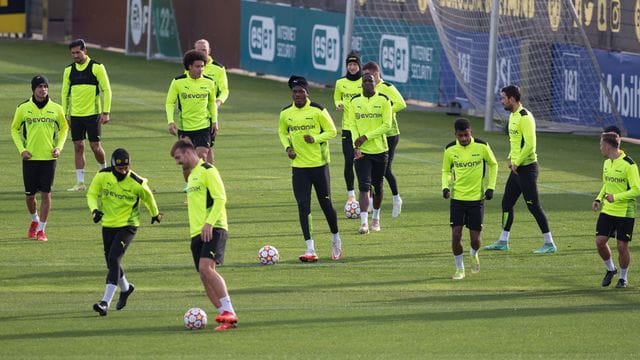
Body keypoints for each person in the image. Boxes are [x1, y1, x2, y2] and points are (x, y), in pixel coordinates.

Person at [170, 138, 238, 331]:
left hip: (214, 227)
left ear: (188, 152)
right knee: (203, 274)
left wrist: (209, 223)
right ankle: (224, 316)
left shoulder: (208, 171)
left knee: (207, 268)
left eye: (178, 157)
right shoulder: (191, 176)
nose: (177, 161)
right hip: (196, 231)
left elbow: (220, 198)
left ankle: (229, 310)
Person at [88, 148, 162, 316]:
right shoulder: (102, 176)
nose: (124, 171)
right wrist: (94, 210)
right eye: (120, 168)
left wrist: (155, 214)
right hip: (108, 225)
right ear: (113, 165)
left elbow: (148, 197)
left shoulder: (137, 182)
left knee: (114, 258)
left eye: (126, 168)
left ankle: (105, 302)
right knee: (111, 262)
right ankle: (126, 288)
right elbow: (91, 194)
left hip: (128, 225)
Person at [484, 84, 557, 253]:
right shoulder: (513, 116)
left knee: (534, 206)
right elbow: (516, 143)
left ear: (512, 98)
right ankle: (503, 241)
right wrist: (511, 158)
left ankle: (549, 243)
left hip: (527, 169)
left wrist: (517, 161)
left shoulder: (525, 117)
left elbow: (530, 145)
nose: (501, 101)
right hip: (516, 169)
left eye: (503, 98)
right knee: (506, 203)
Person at [279, 76, 342, 261]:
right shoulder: (285, 113)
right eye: (295, 92)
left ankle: (336, 239)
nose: (297, 95)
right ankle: (310, 249)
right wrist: (288, 148)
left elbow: (332, 131)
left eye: (301, 92)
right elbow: (282, 132)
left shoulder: (318, 110)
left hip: (319, 166)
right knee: (303, 206)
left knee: (326, 204)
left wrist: (314, 138)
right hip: (299, 168)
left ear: (307, 93)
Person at [11, 75, 69, 242]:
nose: (43, 89)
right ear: (33, 89)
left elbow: (64, 129)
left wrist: (59, 147)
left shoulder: (56, 108)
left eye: (45, 86)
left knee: (46, 194)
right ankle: (34, 220)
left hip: (49, 159)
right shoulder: (23, 108)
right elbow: (14, 129)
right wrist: (22, 149)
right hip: (30, 158)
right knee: (30, 196)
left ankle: (42, 230)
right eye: (39, 87)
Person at [442, 118, 498, 280]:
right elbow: (445, 170)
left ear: (471, 132)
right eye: (460, 136)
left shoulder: (482, 146)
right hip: (458, 199)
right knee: (456, 235)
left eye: (466, 135)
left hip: (476, 200)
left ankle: (474, 254)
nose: (464, 139)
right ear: (456, 135)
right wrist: (445, 187)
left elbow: (493, 164)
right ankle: (460, 269)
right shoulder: (450, 149)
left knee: (475, 240)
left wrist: (490, 187)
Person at [62, 39, 112, 192]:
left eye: (78, 52)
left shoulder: (97, 67)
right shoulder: (68, 70)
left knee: (95, 146)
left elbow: (107, 90)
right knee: (78, 146)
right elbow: (65, 93)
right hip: (75, 116)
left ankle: (104, 176)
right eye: (73, 53)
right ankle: (80, 183)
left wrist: (106, 112)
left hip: (93, 115)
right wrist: (65, 114)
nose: (75, 55)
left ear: (85, 51)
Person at [593, 132, 640, 288]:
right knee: (600, 242)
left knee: (621, 246)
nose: (600, 148)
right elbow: (606, 184)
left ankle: (623, 277)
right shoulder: (607, 163)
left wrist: (616, 197)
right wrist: (598, 199)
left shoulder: (629, 165)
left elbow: (637, 190)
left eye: (601, 145)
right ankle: (611, 269)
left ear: (608, 146)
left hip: (625, 211)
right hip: (608, 210)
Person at [165, 50, 217, 189]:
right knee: (187, 162)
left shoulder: (209, 82)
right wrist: (170, 121)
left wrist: (214, 121)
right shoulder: (178, 82)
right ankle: (189, 185)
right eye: (197, 66)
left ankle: (203, 185)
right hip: (185, 128)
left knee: (202, 155)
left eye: (202, 66)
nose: (201, 69)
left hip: (203, 126)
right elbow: (170, 102)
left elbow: (212, 103)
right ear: (189, 66)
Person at [361, 61, 407, 218]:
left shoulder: (386, 87)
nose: (366, 79)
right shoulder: (367, 89)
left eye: (368, 75)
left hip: (389, 134)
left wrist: (385, 112)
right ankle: (372, 203)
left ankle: (396, 199)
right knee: (373, 171)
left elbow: (401, 104)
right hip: (374, 134)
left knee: (385, 170)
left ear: (375, 74)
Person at [349, 73, 392, 234]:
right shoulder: (355, 101)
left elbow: (387, 125)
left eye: (370, 81)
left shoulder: (384, 100)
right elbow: (352, 124)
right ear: (361, 84)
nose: (368, 83)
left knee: (378, 187)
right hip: (362, 152)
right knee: (364, 186)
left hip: (380, 150)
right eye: (365, 81)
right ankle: (364, 223)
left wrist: (366, 137)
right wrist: (356, 143)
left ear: (375, 83)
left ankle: (376, 218)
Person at [333, 51, 362, 209]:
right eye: (350, 65)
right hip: (347, 129)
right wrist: (338, 104)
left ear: (359, 65)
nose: (352, 67)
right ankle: (351, 195)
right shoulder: (340, 83)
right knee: (349, 161)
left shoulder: (365, 81)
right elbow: (337, 97)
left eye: (355, 64)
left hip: (363, 129)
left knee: (364, 162)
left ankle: (367, 194)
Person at [194, 39, 229, 163]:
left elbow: (225, 90)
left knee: (206, 148)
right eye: (198, 50)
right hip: (192, 113)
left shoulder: (218, 69)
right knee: (192, 149)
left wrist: (218, 102)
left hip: (209, 115)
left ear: (209, 51)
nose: (201, 52)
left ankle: (208, 176)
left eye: (204, 50)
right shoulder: (190, 66)